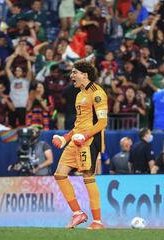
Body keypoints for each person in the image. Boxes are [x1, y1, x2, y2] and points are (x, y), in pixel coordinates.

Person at [52, 61, 108, 230]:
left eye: (75, 72)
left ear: (85, 75)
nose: (72, 76)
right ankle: (78, 213)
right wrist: (65, 138)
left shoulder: (97, 93)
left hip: (89, 141)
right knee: (60, 174)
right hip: (76, 139)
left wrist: (84, 136)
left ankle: (97, 221)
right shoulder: (79, 94)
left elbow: (103, 122)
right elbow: (78, 124)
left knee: (88, 178)